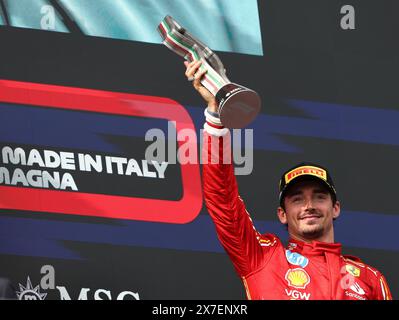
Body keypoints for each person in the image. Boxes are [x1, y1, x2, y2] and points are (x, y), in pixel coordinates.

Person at [184, 60, 393, 300]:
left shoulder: (370, 279)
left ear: (335, 208)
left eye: (319, 196)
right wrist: (216, 117)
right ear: (282, 214)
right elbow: (222, 201)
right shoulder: (263, 258)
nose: (309, 205)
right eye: (296, 199)